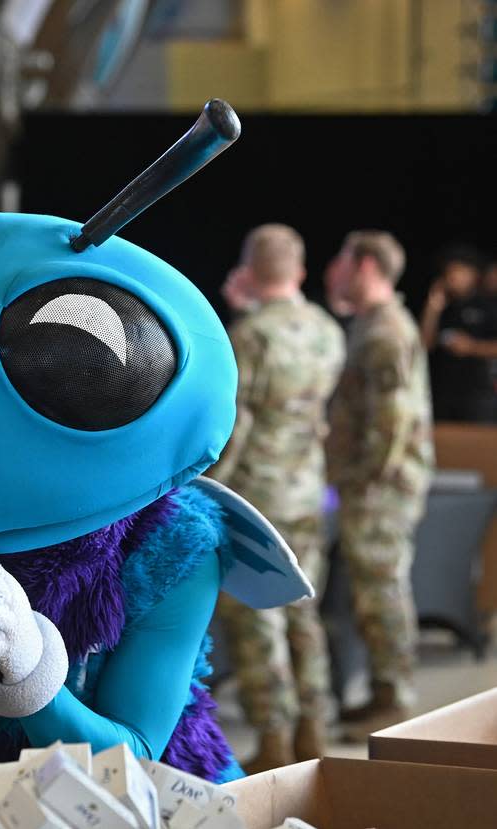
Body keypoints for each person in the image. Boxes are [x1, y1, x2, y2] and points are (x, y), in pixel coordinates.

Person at [207, 225, 345, 771]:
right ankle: (313, 726)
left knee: (257, 614)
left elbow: (235, 428)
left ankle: (274, 739)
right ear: (300, 271)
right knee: (303, 610)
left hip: (257, 497)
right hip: (309, 489)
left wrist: (207, 486)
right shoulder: (327, 330)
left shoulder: (251, 336)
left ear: (249, 268)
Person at [325, 230, 434, 739]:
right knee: (372, 592)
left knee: (383, 591)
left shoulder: (385, 331)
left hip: (380, 488)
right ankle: (384, 694)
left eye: (344, 262)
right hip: (370, 484)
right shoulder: (371, 325)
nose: (337, 271)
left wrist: (364, 481)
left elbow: (393, 421)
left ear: (366, 266)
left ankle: (398, 700)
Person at [420, 246, 497, 422]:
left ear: (474, 274)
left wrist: (472, 347)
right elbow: (424, 344)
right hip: (443, 392)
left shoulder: (488, 306)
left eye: (459, 271)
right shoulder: (442, 307)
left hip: (478, 395)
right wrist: (433, 309)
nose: (452, 277)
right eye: (449, 271)